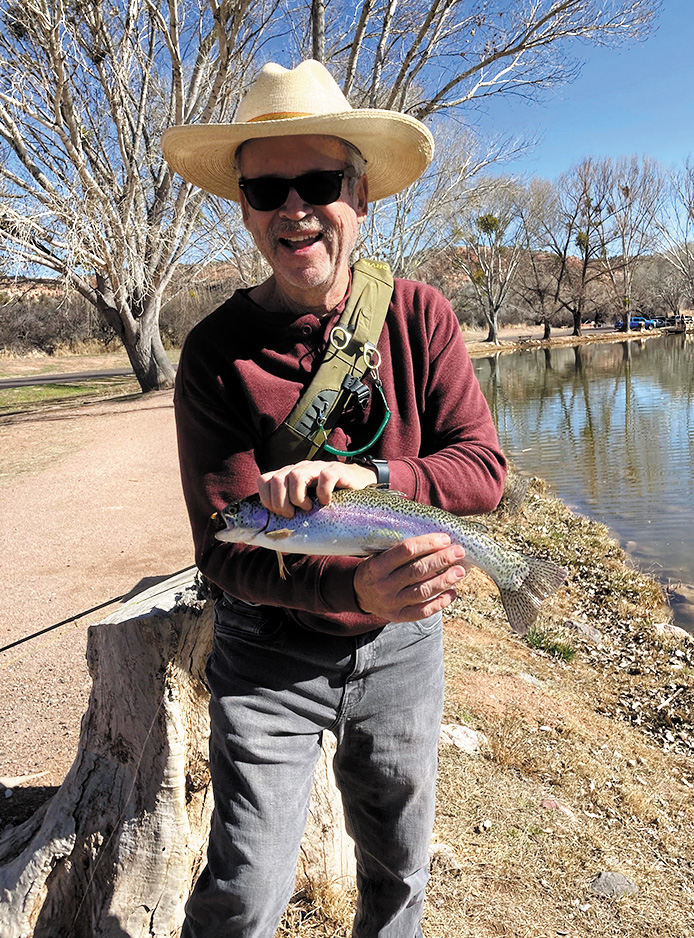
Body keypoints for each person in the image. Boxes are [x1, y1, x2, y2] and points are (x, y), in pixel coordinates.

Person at [163, 60, 506, 938]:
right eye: (267, 186)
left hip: (403, 648)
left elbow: (482, 471)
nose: (295, 206)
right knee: (244, 894)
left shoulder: (419, 316)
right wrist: (345, 591)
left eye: (319, 181)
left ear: (360, 195)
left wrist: (384, 479)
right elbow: (223, 549)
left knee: (398, 880)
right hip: (267, 655)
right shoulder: (215, 353)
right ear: (243, 205)